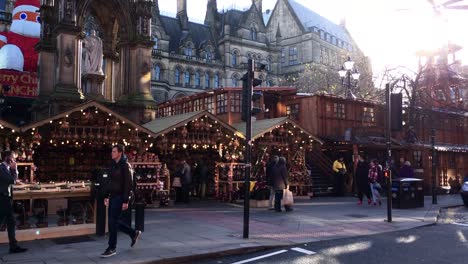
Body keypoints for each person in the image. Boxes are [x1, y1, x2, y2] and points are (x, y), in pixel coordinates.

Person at [101, 145, 141, 258]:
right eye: (111, 151)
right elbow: (110, 182)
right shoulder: (113, 165)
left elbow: (128, 184)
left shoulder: (125, 165)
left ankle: (112, 247)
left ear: (120, 153)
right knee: (113, 221)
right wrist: (106, 195)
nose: (111, 153)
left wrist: (125, 200)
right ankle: (133, 233)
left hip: (120, 197)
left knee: (113, 221)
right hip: (113, 196)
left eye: (114, 151)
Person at [0, 151, 27, 254]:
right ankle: (13, 246)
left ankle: (13, 246)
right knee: (7, 222)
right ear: (7, 158)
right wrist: (15, 169)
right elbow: (12, 180)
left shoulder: (5, 168)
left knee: (11, 222)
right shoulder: (1, 168)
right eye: (12, 157)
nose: (14, 159)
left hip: (6, 199)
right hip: (2, 199)